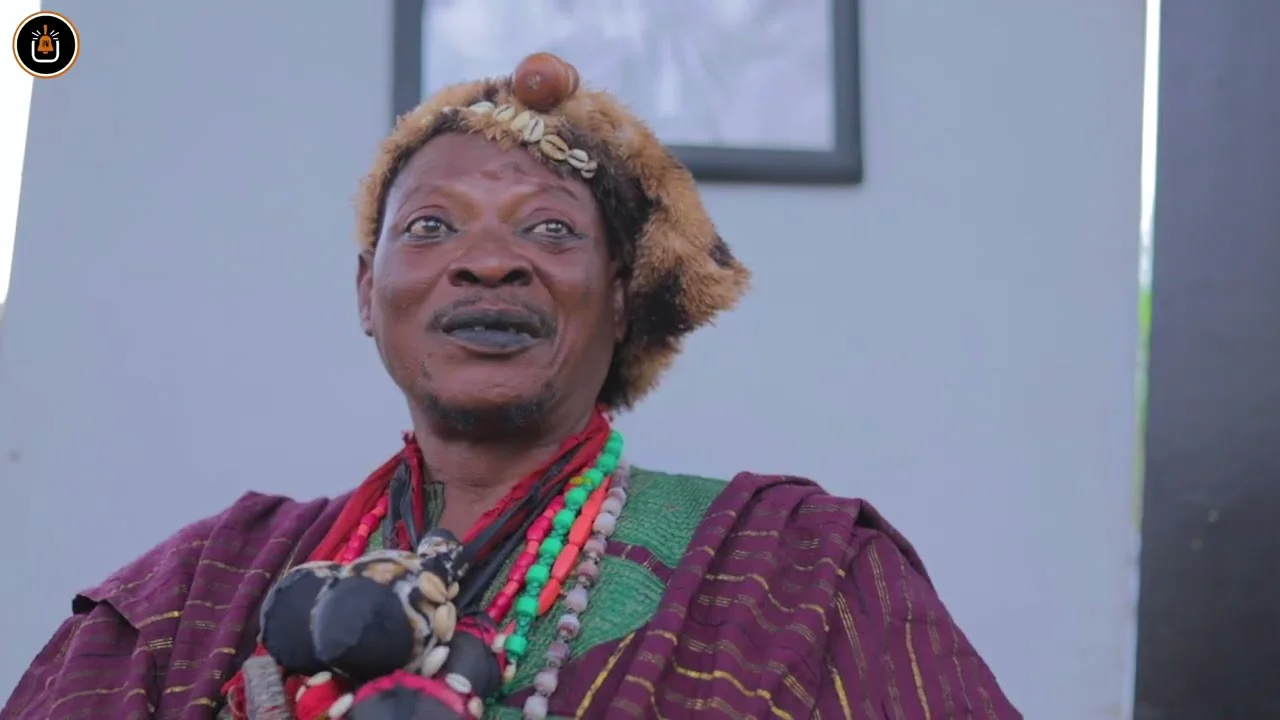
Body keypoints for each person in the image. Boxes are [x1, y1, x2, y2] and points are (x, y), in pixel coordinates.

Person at [1, 53, 1019, 720]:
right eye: (430, 227)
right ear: (367, 294)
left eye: (549, 230)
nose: (488, 262)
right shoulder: (194, 594)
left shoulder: (798, 575)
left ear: (620, 300)